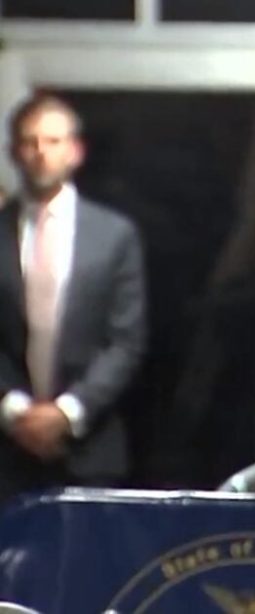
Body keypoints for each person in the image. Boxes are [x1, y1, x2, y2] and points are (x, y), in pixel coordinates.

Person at [0, 94, 147, 500]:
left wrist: (66, 413)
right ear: (14, 152)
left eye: (53, 141)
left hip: (91, 450)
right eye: (30, 142)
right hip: (6, 452)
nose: (41, 152)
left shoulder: (114, 236)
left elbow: (126, 343)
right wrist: (15, 413)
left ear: (75, 151)